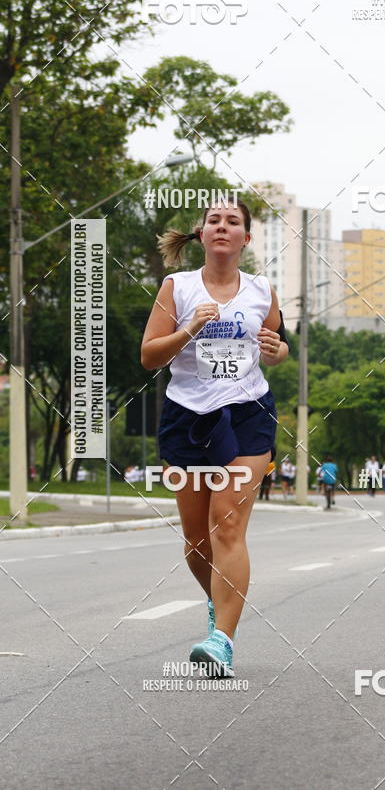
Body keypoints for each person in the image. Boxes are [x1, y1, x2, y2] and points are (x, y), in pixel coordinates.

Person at [141, 201, 288, 677]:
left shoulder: (262, 289)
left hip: (247, 414)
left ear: (246, 238)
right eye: (214, 221)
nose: (223, 227)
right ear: (202, 234)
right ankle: (218, 602)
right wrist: (189, 330)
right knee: (196, 540)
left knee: (226, 524)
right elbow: (149, 356)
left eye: (234, 222)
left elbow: (276, 345)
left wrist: (277, 350)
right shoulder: (177, 287)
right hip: (187, 417)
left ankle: (222, 640)